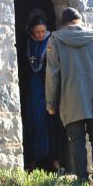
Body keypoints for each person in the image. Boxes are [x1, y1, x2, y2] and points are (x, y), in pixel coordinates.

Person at [46, 7, 93, 186]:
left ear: (63, 23)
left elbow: (52, 75)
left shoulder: (56, 39)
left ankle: (82, 182)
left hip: (70, 99)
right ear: (79, 20)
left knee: (77, 141)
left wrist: (51, 103)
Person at [23, 11, 68, 172]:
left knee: (50, 125)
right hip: (33, 92)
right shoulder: (27, 43)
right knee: (33, 124)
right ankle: (33, 160)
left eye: (43, 31)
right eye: (38, 32)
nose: (41, 35)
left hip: (48, 90)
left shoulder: (52, 42)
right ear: (32, 31)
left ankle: (55, 161)